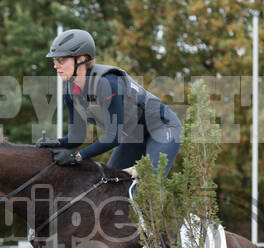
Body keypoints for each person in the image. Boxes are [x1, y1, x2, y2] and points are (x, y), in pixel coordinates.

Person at [38, 29, 182, 175]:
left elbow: (114, 136)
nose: (55, 66)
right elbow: (77, 137)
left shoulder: (107, 82)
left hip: (162, 127)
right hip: (134, 136)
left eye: (61, 60)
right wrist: (56, 143)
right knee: (109, 183)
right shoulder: (70, 93)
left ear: (81, 59)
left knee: (150, 186)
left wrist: (78, 156)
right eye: (54, 61)